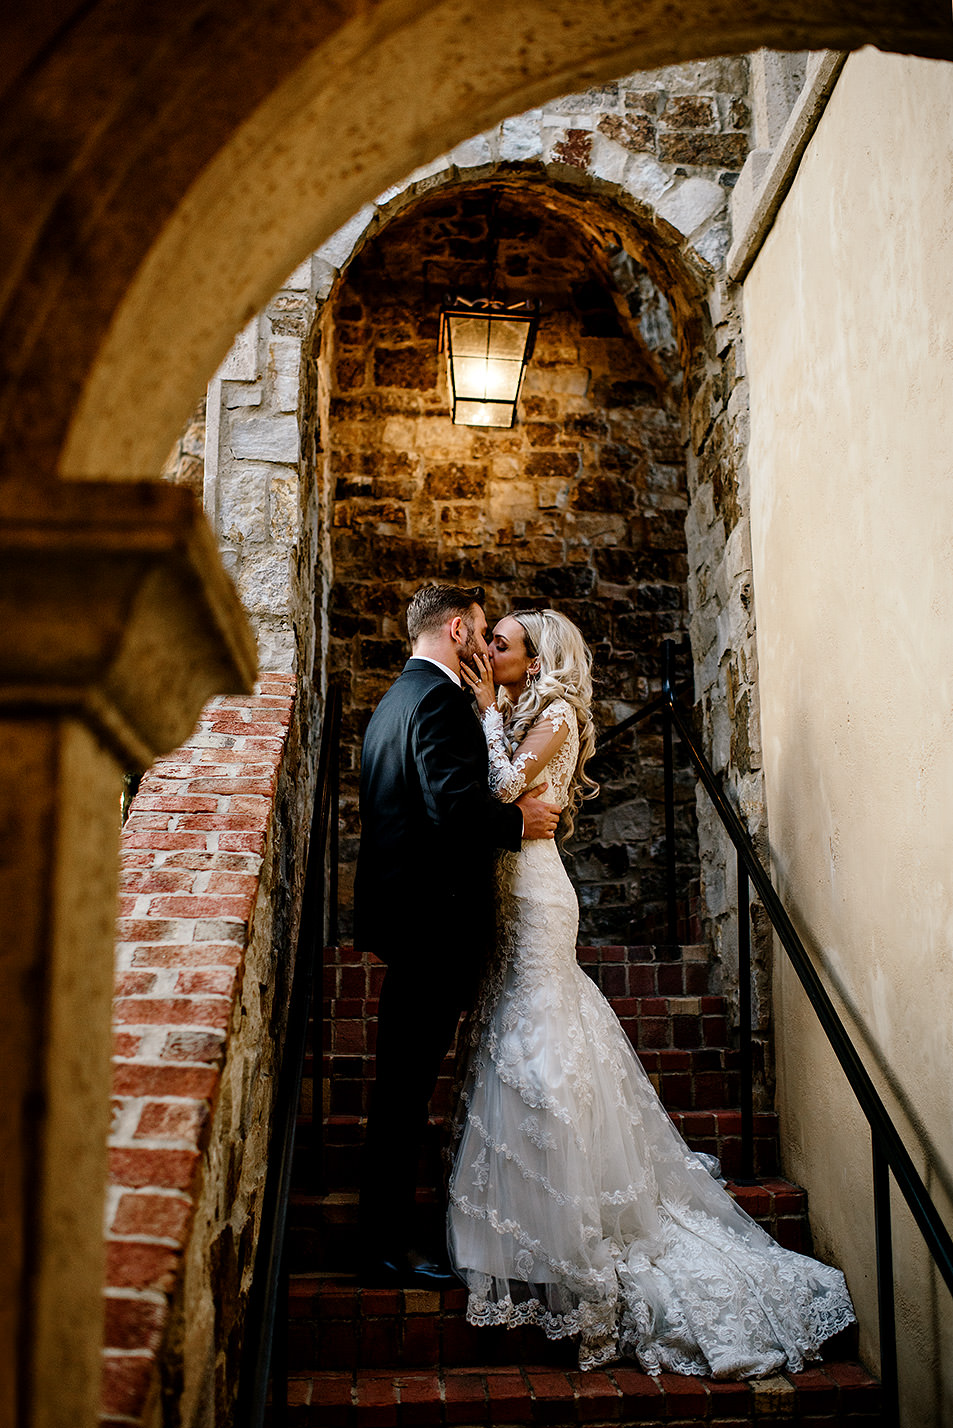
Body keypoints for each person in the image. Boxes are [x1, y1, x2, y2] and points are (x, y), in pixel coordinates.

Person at [448, 607, 856, 1375]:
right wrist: (492, 714)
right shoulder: (523, 708)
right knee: (516, 1036)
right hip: (509, 890)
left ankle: (576, 1229)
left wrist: (483, 713)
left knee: (540, 1042)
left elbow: (503, 786)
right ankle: (521, 1223)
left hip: (537, 896)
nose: (486, 650)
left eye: (500, 643)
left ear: (533, 662)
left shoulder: (558, 713)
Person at [355, 584, 561, 1287]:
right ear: (454, 630)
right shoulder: (439, 701)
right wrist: (518, 825)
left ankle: (381, 1237)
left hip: (404, 919)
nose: (481, 646)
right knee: (406, 1092)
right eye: (477, 632)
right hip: (434, 923)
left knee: (399, 1088)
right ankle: (385, 1246)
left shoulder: (394, 700)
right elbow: (450, 807)